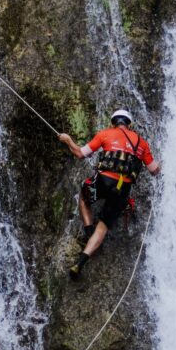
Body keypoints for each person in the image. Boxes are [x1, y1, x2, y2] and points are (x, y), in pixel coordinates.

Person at [58, 109, 160, 280]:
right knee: (104, 225)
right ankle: (81, 261)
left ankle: (89, 233)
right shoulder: (142, 143)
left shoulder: (105, 134)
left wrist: (67, 140)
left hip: (103, 181)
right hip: (123, 189)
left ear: (113, 123)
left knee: (84, 197)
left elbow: (79, 153)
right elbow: (154, 170)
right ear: (130, 124)